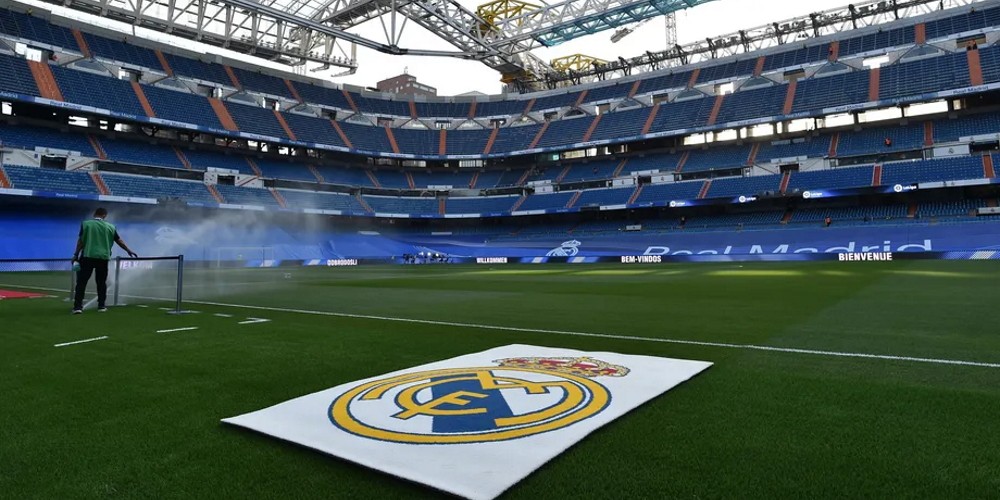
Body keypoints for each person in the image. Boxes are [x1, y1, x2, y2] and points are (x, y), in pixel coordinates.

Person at [72, 207, 138, 314]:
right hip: (103, 258)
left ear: (95, 214)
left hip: (88, 256)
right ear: (104, 215)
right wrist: (128, 250)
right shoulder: (110, 226)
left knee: (81, 282)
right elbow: (119, 241)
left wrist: (75, 254)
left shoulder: (86, 224)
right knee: (101, 282)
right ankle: (101, 306)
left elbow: (81, 241)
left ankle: (77, 307)